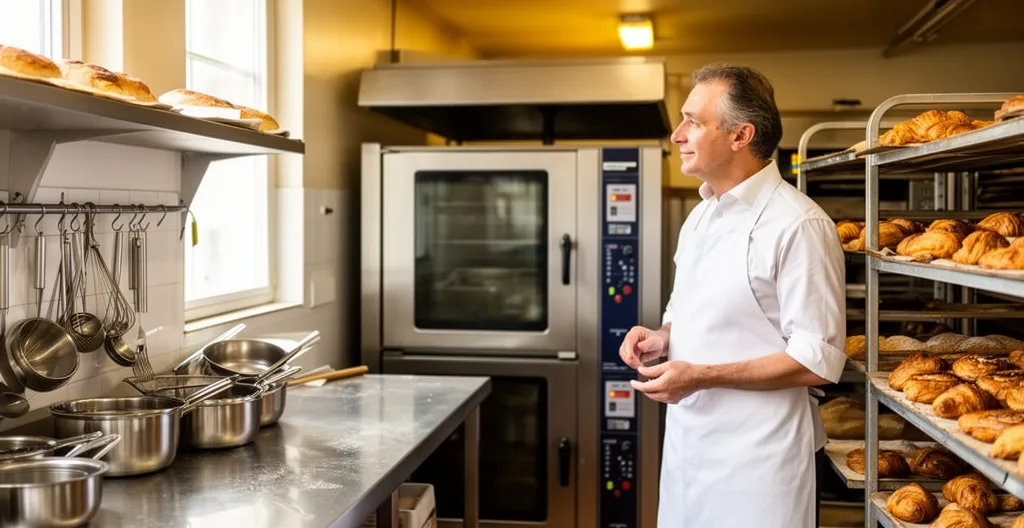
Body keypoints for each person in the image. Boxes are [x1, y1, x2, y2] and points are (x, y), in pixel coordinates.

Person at [619, 64, 847, 527]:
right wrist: (663, 337)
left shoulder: (799, 224)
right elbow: (684, 314)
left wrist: (700, 375)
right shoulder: (701, 217)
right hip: (689, 450)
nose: (677, 134)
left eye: (694, 121)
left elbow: (815, 361)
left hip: (759, 468)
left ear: (741, 135)